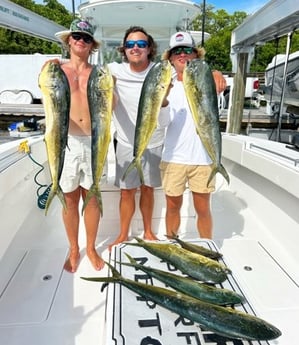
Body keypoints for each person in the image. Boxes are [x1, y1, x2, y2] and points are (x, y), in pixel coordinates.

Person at [159, 31, 227, 239]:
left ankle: (207, 248)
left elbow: (219, 109)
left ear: (196, 55)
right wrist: (162, 101)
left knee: (203, 207)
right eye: (177, 51)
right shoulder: (167, 86)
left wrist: (215, 73)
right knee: (172, 206)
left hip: (204, 158)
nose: (182, 54)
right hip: (174, 158)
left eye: (187, 50)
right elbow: (163, 123)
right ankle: (173, 246)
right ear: (170, 57)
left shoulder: (209, 82)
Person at [107, 26, 170, 251]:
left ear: (149, 48)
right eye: (131, 44)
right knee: (127, 191)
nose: (136, 48)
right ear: (124, 49)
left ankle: (148, 230)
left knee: (148, 188)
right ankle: (123, 233)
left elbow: (186, 74)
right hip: (125, 142)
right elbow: (83, 69)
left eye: (141, 44)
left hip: (154, 141)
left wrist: (215, 73)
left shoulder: (161, 71)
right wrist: (57, 63)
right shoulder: (113, 70)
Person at [53, 18, 106, 273]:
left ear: (92, 45)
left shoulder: (100, 73)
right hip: (67, 140)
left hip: (95, 139)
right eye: (77, 37)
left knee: (92, 198)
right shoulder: (56, 70)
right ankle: (74, 248)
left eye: (86, 38)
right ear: (68, 40)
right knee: (69, 199)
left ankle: (92, 247)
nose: (81, 41)